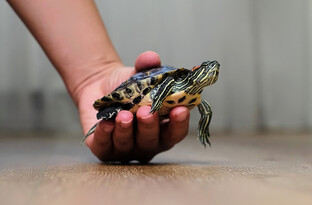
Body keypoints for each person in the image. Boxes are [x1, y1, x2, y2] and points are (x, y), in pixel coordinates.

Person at [8, 0, 190, 162]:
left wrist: (96, 75)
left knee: (125, 117)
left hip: (144, 102)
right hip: (141, 95)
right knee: (119, 115)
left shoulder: (188, 88)